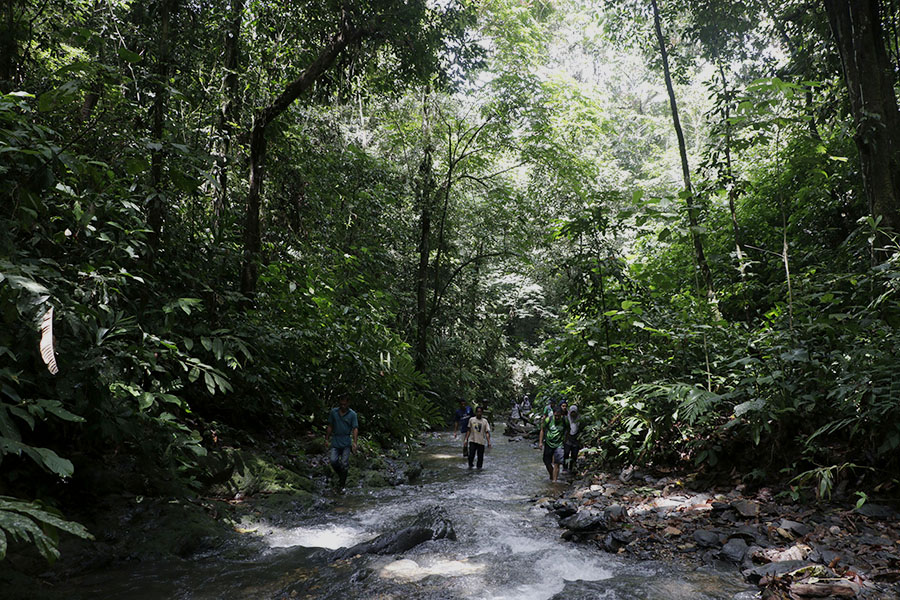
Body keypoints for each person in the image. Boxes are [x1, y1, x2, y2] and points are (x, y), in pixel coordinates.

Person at [325, 394, 358, 491]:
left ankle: (342, 485)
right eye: (341, 404)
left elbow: (355, 428)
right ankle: (341, 475)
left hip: (346, 442)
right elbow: (330, 426)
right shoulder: (334, 412)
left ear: (348, 403)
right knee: (333, 461)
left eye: (345, 404)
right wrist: (326, 439)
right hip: (335, 440)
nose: (343, 406)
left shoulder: (352, 414)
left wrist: (355, 442)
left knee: (344, 463)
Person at [538, 404, 566, 482]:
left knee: (557, 462)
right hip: (548, 443)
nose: (557, 417)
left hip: (559, 444)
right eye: (556, 416)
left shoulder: (564, 420)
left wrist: (565, 440)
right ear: (553, 413)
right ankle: (552, 474)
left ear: (561, 415)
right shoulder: (548, 420)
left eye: (559, 416)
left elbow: (568, 430)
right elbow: (542, 430)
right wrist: (540, 442)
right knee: (546, 461)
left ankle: (554, 481)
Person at [563, 404, 581, 474]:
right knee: (566, 453)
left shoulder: (579, 419)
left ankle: (571, 468)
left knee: (574, 454)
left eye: (574, 412)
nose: (573, 414)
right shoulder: (566, 419)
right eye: (572, 412)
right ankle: (565, 467)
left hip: (576, 439)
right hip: (568, 438)